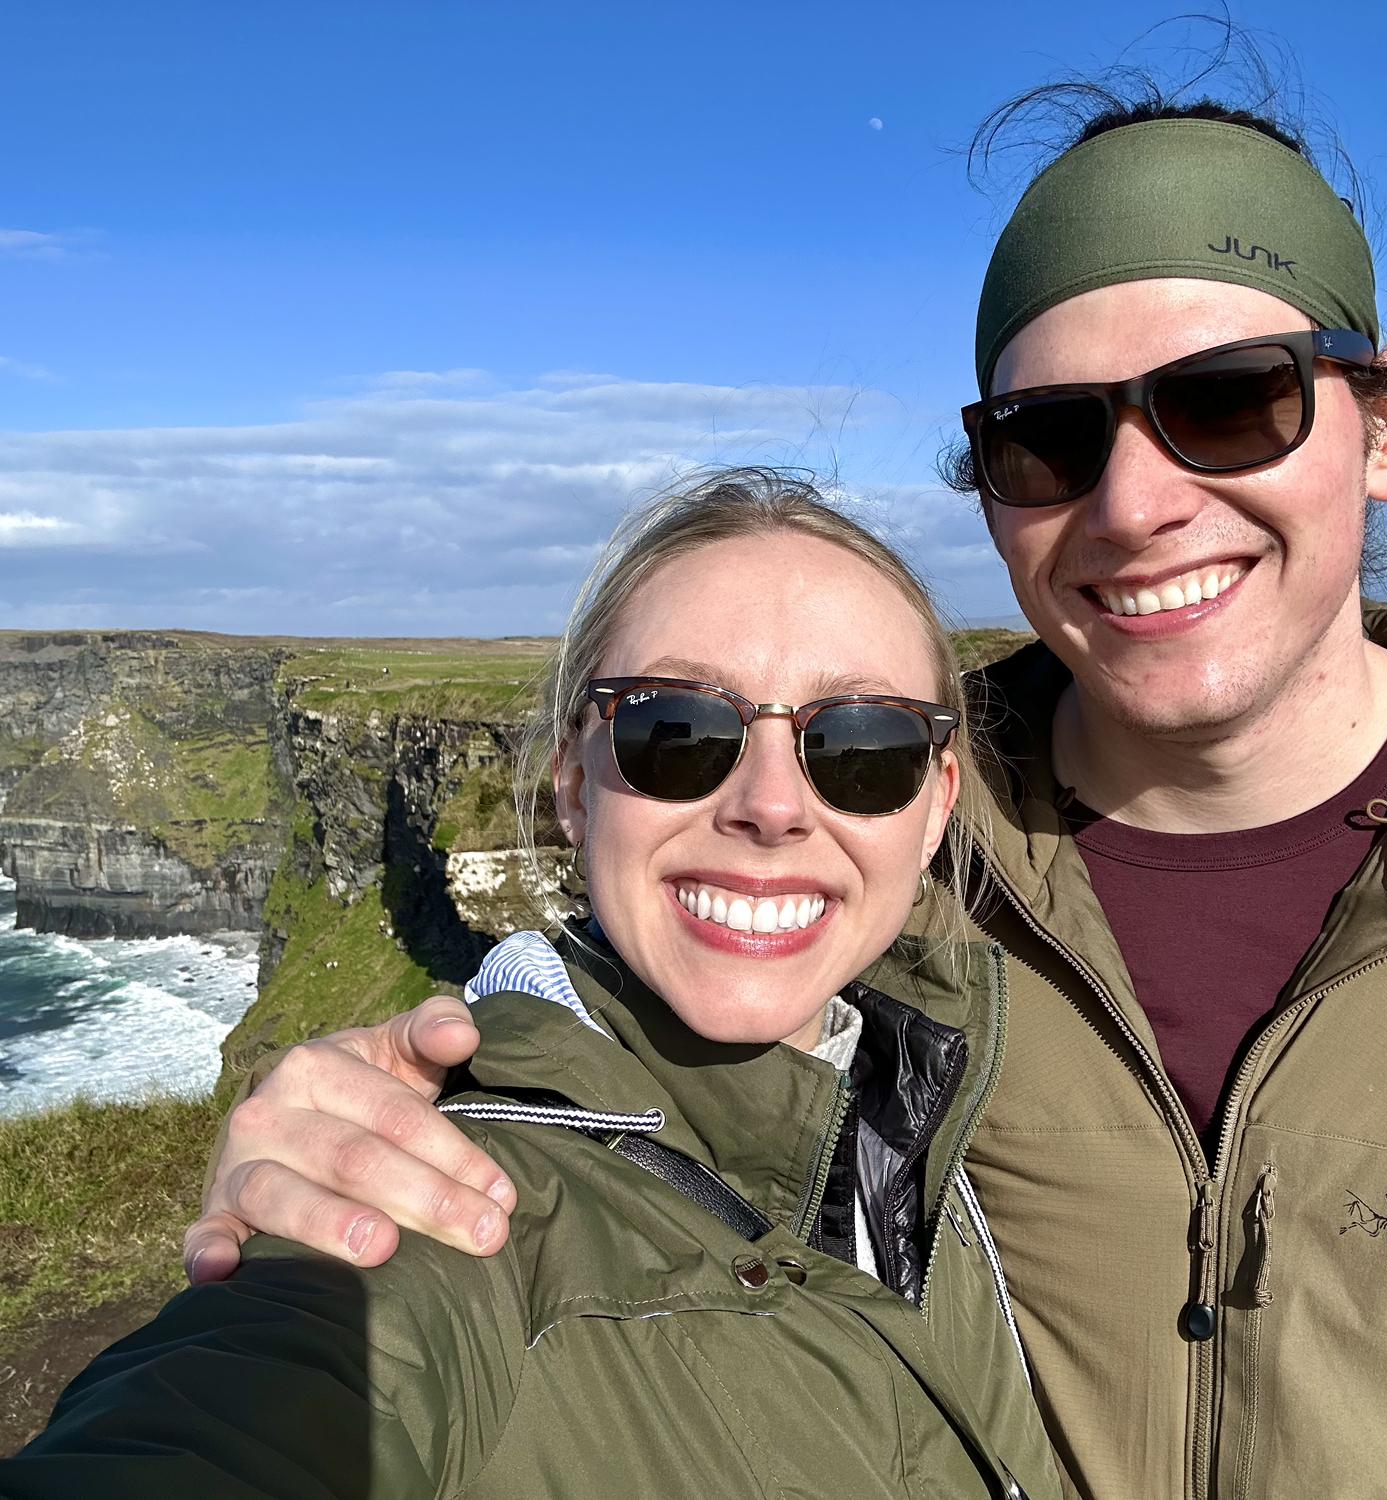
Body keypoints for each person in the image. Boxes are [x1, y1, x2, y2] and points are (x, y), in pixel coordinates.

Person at [178, 83, 1387, 1500]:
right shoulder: (865, 886)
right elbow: (582, 1128)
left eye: (1231, 402)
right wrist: (328, 1172)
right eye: (1051, 438)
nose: (1134, 504)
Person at [2, 472, 1061, 1500]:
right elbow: (250, 1406)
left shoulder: (939, 1098)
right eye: (675, 732)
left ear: (937, 803)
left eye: (865, 744)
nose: (771, 805)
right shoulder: (452, 1207)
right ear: (572, 785)